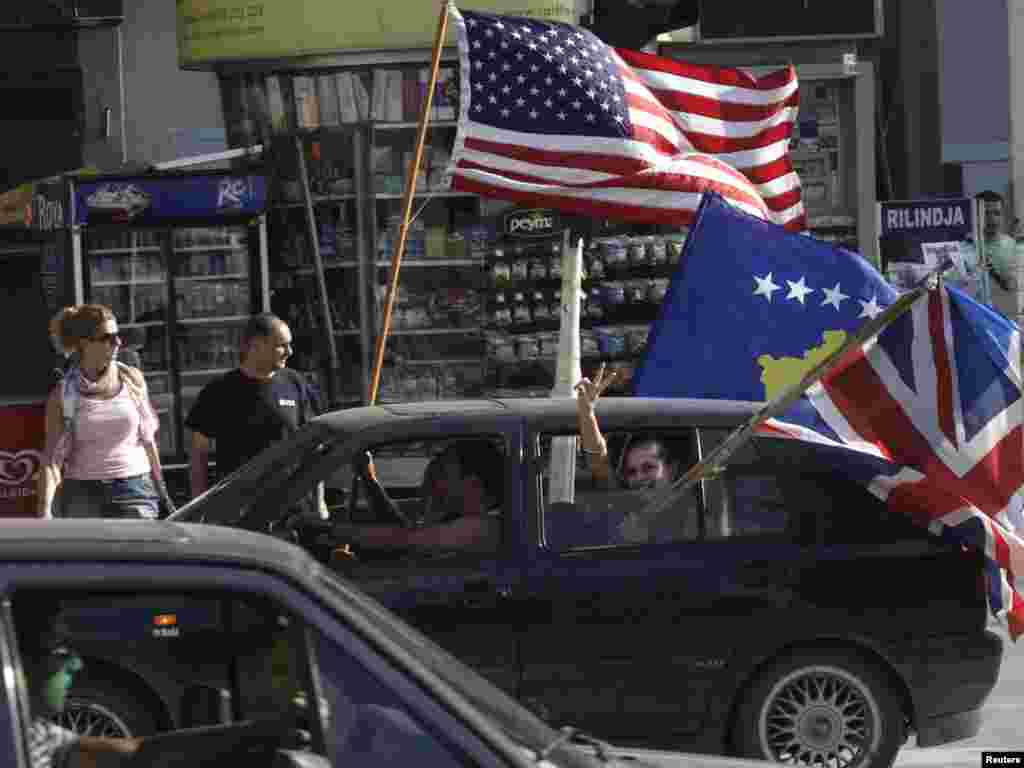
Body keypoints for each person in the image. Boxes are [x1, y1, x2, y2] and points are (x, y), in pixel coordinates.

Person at [186, 313, 327, 517]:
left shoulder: (296, 383)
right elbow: (199, 454)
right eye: (282, 345)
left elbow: (314, 446)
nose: (290, 351)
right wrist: (198, 507)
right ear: (256, 346)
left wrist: (319, 500)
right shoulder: (219, 391)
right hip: (239, 511)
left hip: (292, 509)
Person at [38, 304, 169, 519]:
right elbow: (52, 461)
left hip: (134, 488)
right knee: (90, 554)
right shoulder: (63, 394)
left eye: (118, 335)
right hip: (83, 493)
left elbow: (148, 441)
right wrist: (44, 513)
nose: (118, 342)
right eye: (107, 337)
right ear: (84, 343)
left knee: (137, 553)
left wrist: (164, 494)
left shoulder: (132, 379)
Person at [574, 364, 695, 542]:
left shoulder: (695, 508)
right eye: (632, 472)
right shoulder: (623, 507)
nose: (640, 477)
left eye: (648, 467)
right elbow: (598, 458)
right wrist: (587, 413)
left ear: (672, 469)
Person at [16, 597, 142, 767]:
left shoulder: (38, 730)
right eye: (61, 650)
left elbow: (130, 747)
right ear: (18, 661)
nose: (77, 664)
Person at [338, 440, 504, 553]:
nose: (434, 481)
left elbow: (402, 540)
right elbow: (401, 531)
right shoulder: (452, 517)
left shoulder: (479, 529)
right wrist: (368, 478)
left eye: (442, 473)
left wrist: (334, 532)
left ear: (472, 485)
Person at [963, 190, 1021, 319]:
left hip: (1004, 321)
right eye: (986, 214)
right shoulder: (964, 246)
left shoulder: (1011, 245)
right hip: (973, 318)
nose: (992, 219)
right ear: (975, 215)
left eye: (997, 213)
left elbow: (1013, 287)